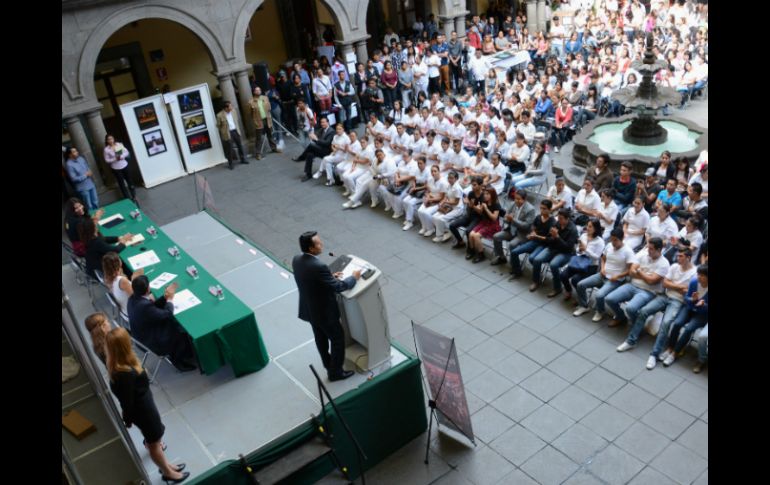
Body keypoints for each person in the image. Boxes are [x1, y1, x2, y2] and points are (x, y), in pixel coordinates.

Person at [106, 327, 189, 483]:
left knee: (155, 440)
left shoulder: (123, 364)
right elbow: (127, 402)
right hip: (143, 412)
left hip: (145, 406)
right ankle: (167, 472)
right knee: (154, 443)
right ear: (124, 345)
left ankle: (166, 465)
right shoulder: (123, 373)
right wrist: (128, 419)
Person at [292, 231, 361, 381]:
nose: (321, 244)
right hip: (325, 313)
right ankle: (336, 373)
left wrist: (329, 277)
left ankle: (328, 364)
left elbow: (309, 278)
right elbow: (339, 287)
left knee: (320, 339)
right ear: (311, 249)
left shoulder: (297, 259)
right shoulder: (318, 266)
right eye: (318, 243)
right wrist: (353, 278)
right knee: (337, 339)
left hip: (309, 310)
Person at [127, 276, 197, 372]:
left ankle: (186, 352)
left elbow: (152, 308)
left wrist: (165, 297)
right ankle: (178, 361)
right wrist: (170, 299)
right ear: (148, 289)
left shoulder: (133, 299)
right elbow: (167, 313)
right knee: (178, 329)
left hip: (141, 336)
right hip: (152, 341)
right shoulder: (144, 306)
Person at [603, 237, 671, 328]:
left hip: (648, 291)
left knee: (630, 308)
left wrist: (639, 271)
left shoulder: (664, 263)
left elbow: (651, 281)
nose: (648, 251)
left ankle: (637, 325)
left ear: (659, 249)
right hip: (632, 285)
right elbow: (631, 272)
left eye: (651, 249)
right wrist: (646, 275)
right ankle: (621, 317)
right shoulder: (643, 254)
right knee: (609, 299)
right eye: (648, 247)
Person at [573, 227, 636, 319]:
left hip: (615, 280)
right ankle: (584, 306)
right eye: (612, 239)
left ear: (622, 239)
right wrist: (602, 268)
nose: (613, 242)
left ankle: (600, 311)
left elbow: (630, 270)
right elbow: (603, 258)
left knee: (599, 295)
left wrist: (618, 276)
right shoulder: (609, 245)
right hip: (602, 275)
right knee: (581, 284)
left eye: (616, 240)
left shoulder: (628, 251)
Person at [659, 264, 708, 367]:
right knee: (677, 324)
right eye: (698, 274)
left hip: (702, 314)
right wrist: (693, 300)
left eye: (702, 275)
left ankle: (675, 353)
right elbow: (686, 298)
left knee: (689, 329)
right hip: (689, 308)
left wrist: (703, 305)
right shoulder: (694, 282)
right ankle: (669, 348)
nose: (698, 277)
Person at [531, 207, 579, 295]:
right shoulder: (557, 224)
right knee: (537, 260)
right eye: (558, 218)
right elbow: (549, 238)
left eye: (561, 219)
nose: (559, 220)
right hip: (553, 248)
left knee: (553, 264)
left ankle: (557, 288)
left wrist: (557, 237)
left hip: (565, 253)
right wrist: (551, 236)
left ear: (567, 219)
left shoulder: (573, 230)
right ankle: (536, 281)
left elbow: (568, 247)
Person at [560, 218, 605, 302]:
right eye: (587, 226)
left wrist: (586, 249)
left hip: (590, 266)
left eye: (590, 227)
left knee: (575, 280)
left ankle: (581, 297)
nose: (587, 228)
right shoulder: (583, 235)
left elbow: (597, 257)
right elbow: (577, 249)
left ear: (596, 228)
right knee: (563, 275)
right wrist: (579, 250)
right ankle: (568, 290)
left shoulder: (600, 241)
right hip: (579, 261)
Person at [491, 190, 536, 266]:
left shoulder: (531, 209)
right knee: (496, 236)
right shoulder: (512, 204)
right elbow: (505, 218)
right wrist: (508, 219)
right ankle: (501, 257)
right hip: (511, 230)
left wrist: (513, 220)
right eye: (515, 198)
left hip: (522, 234)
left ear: (524, 200)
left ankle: (515, 266)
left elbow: (526, 226)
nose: (516, 201)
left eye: (519, 199)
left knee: (512, 244)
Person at [466, 186, 502, 263]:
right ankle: (472, 251)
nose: (485, 195)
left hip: (493, 225)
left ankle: (481, 254)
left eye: (487, 194)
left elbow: (494, 218)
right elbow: (480, 212)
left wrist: (486, 208)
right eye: (485, 194)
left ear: (492, 195)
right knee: (471, 234)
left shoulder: (496, 204)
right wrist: (474, 206)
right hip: (484, 222)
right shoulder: (484, 202)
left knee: (476, 236)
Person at [293, 116, 334, 182]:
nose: (322, 124)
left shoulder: (331, 131)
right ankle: (308, 174)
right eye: (321, 122)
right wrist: (314, 137)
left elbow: (327, 143)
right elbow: (314, 136)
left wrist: (316, 139)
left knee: (311, 146)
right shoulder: (321, 129)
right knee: (310, 154)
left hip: (327, 152)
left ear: (328, 123)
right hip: (320, 149)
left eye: (324, 122)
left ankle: (301, 158)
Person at [249, 86, 281, 159]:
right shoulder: (251, 102)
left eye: (259, 90)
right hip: (259, 121)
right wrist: (255, 120)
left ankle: (274, 148)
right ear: (254, 92)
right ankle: (258, 153)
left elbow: (269, 107)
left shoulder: (265, 98)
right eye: (256, 90)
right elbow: (250, 113)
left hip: (267, 119)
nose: (258, 91)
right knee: (259, 138)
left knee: (270, 134)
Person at [216, 101, 248, 170]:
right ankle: (230, 163)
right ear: (226, 108)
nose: (232, 107)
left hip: (235, 131)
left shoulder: (233, 111)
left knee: (240, 146)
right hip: (228, 133)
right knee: (229, 149)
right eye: (230, 106)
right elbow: (218, 126)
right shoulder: (219, 115)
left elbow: (236, 120)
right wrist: (223, 131)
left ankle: (243, 159)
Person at [65, 147, 99, 211]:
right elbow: (73, 179)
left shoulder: (81, 159)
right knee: (88, 205)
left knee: (95, 202)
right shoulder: (69, 164)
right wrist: (85, 175)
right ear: (69, 154)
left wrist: (89, 172)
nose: (77, 152)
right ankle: (91, 219)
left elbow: (87, 167)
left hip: (90, 184)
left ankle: (99, 217)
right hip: (83, 188)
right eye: (74, 152)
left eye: (76, 151)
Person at [103, 134, 136, 200]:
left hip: (124, 165)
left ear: (114, 139)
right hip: (116, 168)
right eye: (109, 139)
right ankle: (127, 198)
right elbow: (106, 160)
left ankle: (133, 195)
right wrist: (115, 159)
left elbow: (126, 152)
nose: (110, 140)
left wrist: (121, 156)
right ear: (106, 141)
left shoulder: (118, 145)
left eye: (111, 138)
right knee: (121, 183)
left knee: (129, 180)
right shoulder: (106, 149)